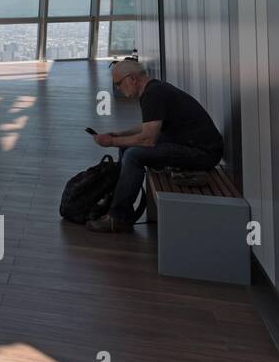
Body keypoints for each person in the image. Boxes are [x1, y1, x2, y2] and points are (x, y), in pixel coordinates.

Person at [86, 59, 224, 233]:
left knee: (133, 155)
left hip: (203, 153)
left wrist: (111, 142)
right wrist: (120, 135)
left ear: (132, 79)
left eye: (118, 83)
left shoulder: (152, 94)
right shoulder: (154, 89)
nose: (119, 88)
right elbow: (149, 126)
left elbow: (147, 140)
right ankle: (117, 206)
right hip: (193, 145)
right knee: (127, 148)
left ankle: (119, 217)